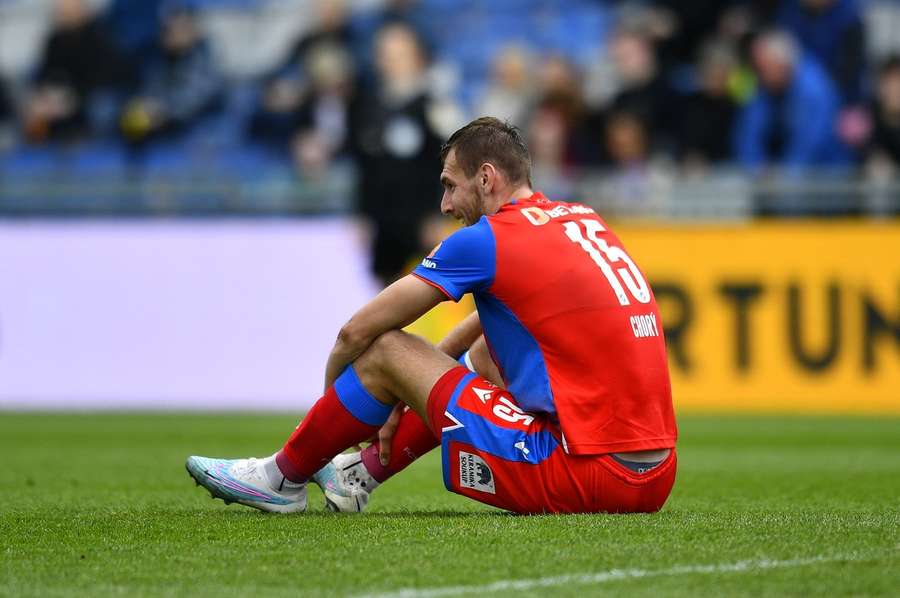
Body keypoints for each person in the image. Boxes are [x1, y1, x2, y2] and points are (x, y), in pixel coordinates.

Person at [186, 117, 677, 515]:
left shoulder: (488, 239)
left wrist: (333, 423)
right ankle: (356, 477)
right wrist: (414, 387)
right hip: (655, 478)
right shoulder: (580, 220)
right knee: (485, 352)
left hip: (588, 474)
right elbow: (511, 318)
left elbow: (354, 331)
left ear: (486, 178)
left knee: (385, 349)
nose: (445, 205)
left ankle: (282, 477)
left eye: (450, 187)